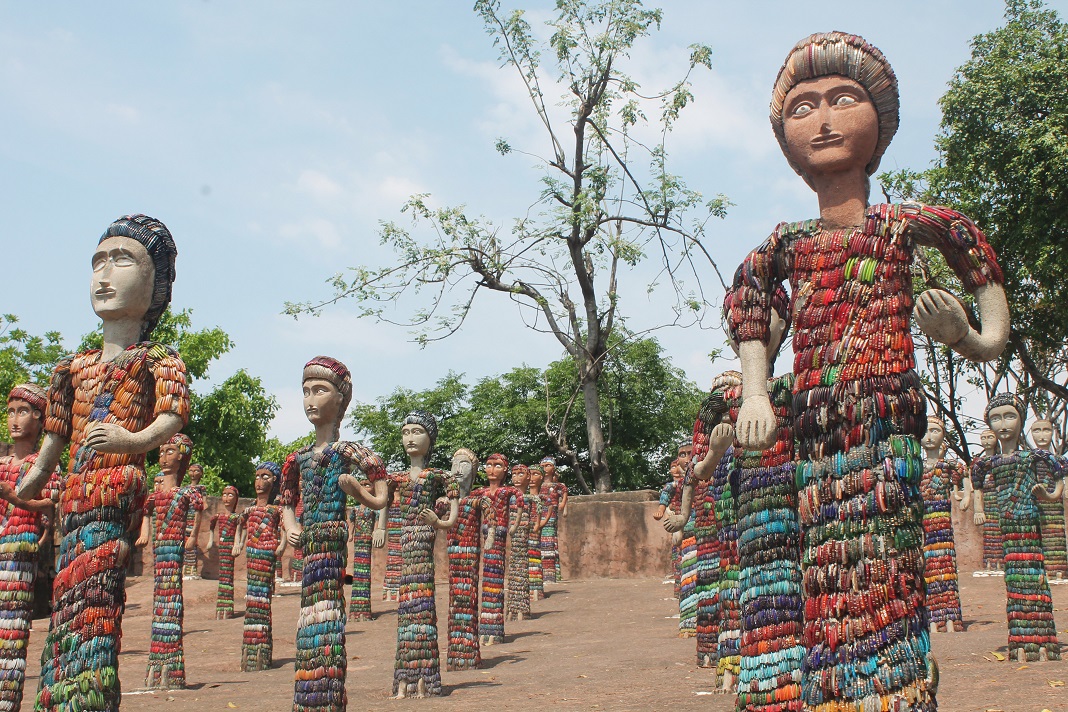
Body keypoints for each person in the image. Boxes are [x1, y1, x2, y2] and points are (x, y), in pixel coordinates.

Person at [728, 32, 1009, 709]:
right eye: (802, 107)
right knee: (824, 568)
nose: (822, 121)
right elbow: (751, 305)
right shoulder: (785, 244)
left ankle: (895, 690)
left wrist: (969, 338)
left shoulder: (904, 227)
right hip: (818, 436)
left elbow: (981, 274)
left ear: (879, 121)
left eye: (842, 100)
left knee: (887, 569)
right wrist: (757, 393)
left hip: (887, 428)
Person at [6, 214, 188, 711]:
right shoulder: (71, 368)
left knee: (96, 602)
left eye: (122, 259)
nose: (104, 275)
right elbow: (52, 445)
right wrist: (24, 487)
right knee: (67, 601)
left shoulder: (157, 360)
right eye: (97, 262)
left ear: (156, 286)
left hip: (115, 490)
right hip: (76, 495)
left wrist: (131, 440)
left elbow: (170, 417)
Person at [280, 356, 390, 712]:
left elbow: (381, 488)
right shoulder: (296, 459)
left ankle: (327, 694)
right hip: (309, 545)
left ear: (341, 398)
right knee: (308, 619)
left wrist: (359, 493)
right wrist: (293, 525)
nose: (311, 399)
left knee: (327, 616)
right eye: (306, 391)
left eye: (320, 390)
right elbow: (287, 501)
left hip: (331, 544)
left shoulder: (347, 452)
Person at [972, 394, 1062, 661]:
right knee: (1014, 581)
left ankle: (1045, 640)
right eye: (996, 418)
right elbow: (976, 486)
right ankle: (1020, 640)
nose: (1003, 424)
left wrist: (1049, 495)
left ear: (1021, 419)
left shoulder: (1034, 457)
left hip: (1029, 523)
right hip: (1007, 527)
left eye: (1009, 416)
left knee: (1034, 577)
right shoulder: (986, 463)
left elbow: (1059, 477)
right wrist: (979, 509)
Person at [389, 410, 458, 698]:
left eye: (417, 432)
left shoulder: (437, 476)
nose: (410, 438)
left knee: (423, 605)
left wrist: (438, 522)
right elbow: (381, 501)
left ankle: (424, 679)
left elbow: (453, 513)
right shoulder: (397, 477)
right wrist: (381, 528)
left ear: (431, 438)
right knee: (407, 609)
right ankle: (405, 677)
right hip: (407, 543)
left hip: (424, 540)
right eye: (406, 433)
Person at [0, 384, 60, 711]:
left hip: (20, 549)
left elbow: (50, 501)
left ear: (39, 419)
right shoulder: (3, 462)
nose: (14, 419)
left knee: (11, 634)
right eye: (10, 411)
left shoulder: (43, 463)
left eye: (22, 411)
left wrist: (14, 498)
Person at [136, 433, 205, 689]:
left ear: (181, 456)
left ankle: (171, 663)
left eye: (170, 452)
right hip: (159, 548)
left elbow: (198, 511)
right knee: (159, 595)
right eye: (162, 451)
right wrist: (145, 532)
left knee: (171, 593)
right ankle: (158, 658)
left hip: (174, 546)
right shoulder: (154, 496)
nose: (164, 457)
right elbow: (146, 513)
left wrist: (193, 535)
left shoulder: (185, 493)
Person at [444, 448, 494, 671]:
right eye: (454, 464)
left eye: (463, 465)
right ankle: (455, 653)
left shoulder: (477, 501)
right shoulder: (444, 502)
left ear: (473, 473)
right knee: (455, 603)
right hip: (453, 559)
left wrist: (489, 535)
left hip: (470, 557)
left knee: (468, 600)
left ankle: (470, 652)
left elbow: (490, 519)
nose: (457, 470)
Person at [233, 461, 285, 672]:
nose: (260, 481)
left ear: (274, 481)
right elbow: (240, 524)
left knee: (262, 598)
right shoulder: (250, 509)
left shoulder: (276, 510)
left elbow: (284, 528)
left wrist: (282, 545)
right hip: (252, 553)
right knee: (252, 597)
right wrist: (238, 542)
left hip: (267, 553)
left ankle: (262, 649)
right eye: (257, 476)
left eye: (266, 477)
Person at [208, 484, 242, 619]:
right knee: (222, 575)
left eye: (230, 495)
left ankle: (227, 607)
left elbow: (239, 531)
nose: (227, 498)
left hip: (229, 547)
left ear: (236, 498)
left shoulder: (236, 517)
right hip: (222, 546)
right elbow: (211, 528)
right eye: (224, 494)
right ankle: (220, 606)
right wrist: (211, 541)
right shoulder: (218, 516)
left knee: (228, 576)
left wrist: (237, 544)